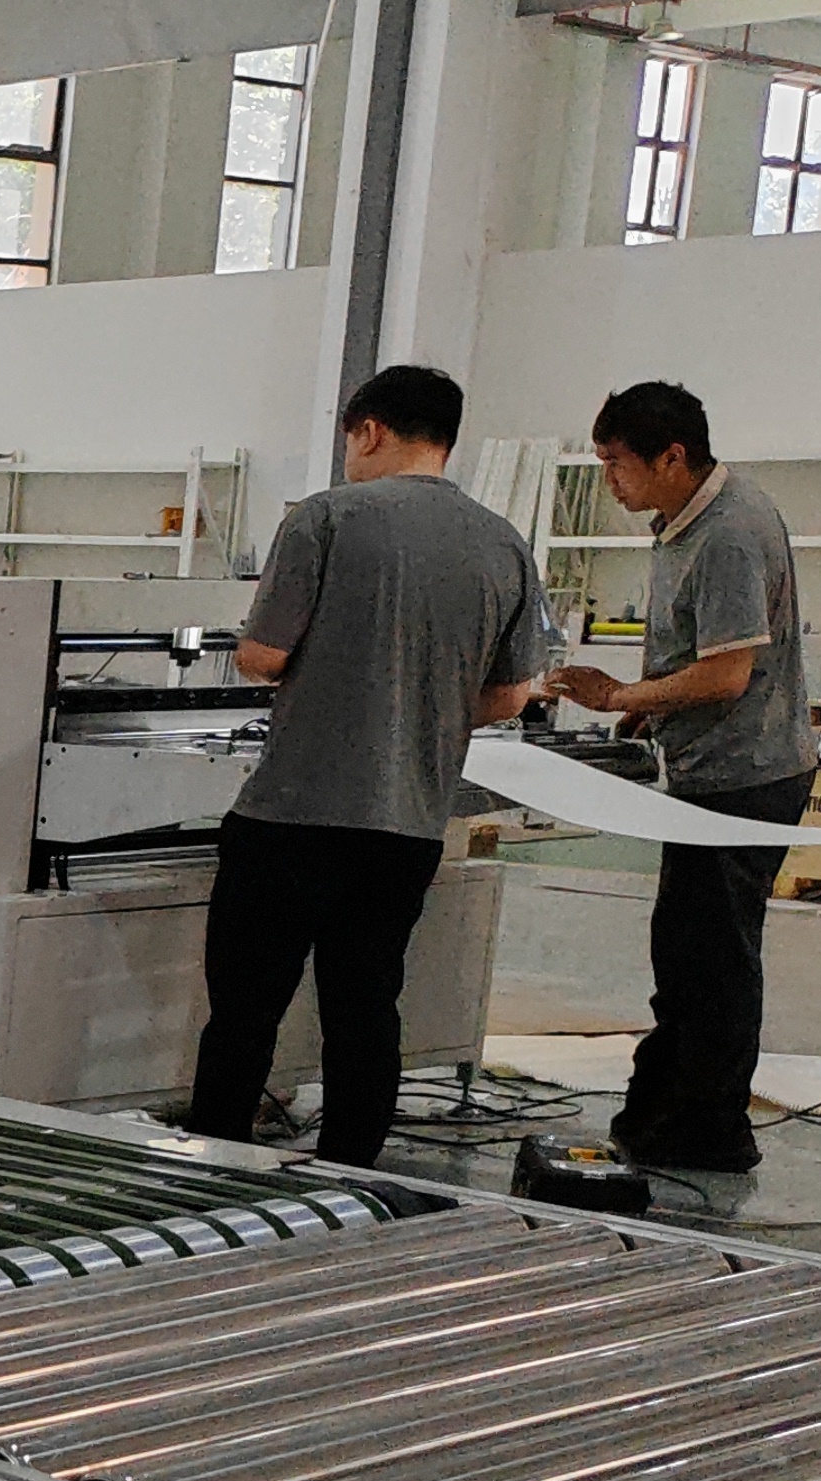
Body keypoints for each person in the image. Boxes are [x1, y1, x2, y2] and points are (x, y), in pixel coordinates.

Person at [186, 363, 554, 1166]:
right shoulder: (504, 543)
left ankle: (217, 1167)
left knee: (246, 1011)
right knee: (365, 1010)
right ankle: (352, 1174)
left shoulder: (324, 518)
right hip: (408, 827)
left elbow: (262, 655)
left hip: (292, 815)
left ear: (371, 431)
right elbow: (509, 695)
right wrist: (422, 699)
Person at [540, 381, 817, 1175]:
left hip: (744, 777)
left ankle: (710, 1131)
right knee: (687, 955)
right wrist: (651, 710)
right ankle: (662, 1114)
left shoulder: (728, 532)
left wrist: (621, 696)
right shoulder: (683, 523)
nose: (609, 481)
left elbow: (728, 674)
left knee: (713, 961)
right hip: (710, 768)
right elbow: (697, 658)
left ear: (672, 456)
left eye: (617, 463)